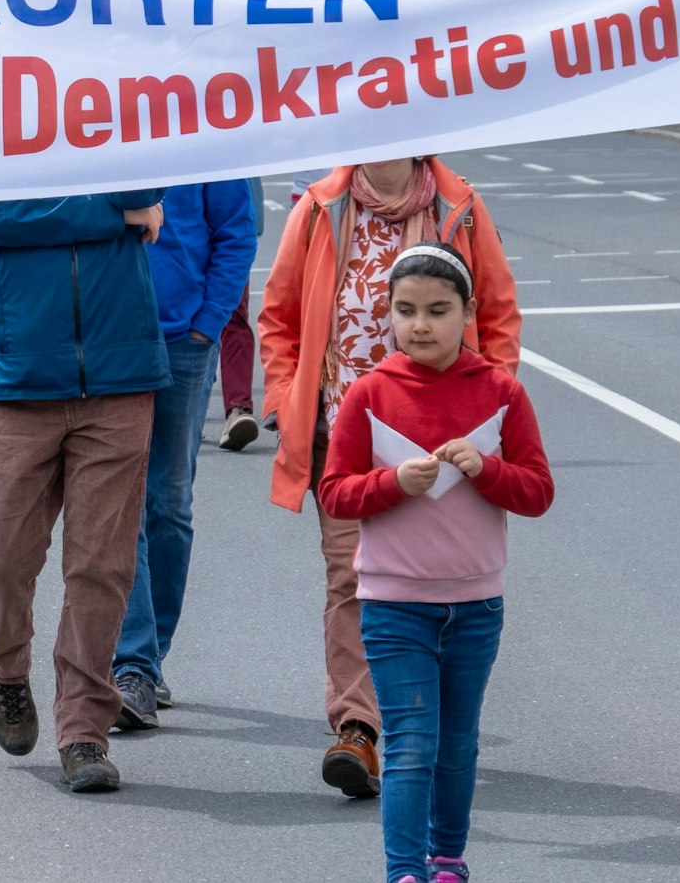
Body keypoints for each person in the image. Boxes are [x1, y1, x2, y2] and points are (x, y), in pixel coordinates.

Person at [257, 156, 520, 801]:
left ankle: (421, 724)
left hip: (447, 442)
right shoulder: (319, 208)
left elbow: (499, 313)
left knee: (436, 582)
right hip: (346, 433)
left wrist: (493, 404)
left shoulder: (459, 207)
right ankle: (358, 730)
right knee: (353, 577)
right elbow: (280, 316)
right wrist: (288, 400)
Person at [318, 241, 553, 883]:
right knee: (412, 747)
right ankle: (404, 871)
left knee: (456, 748)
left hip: (477, 604)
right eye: (406, 309)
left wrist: (489, 470)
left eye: (438, 310)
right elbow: (334, 492)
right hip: (394, 605)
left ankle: (448, 859)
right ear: (388, 313)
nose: (420, 324)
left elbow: (537, 491)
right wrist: (396, 483)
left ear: (468, 312)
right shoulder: (369, 393)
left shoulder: (502, 392)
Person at [0, 190, 169, 793]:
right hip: (18, 374)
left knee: (101, 565)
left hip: (120, 374)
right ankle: (6, 672)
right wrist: (108, 215)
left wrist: (118, 206)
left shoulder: (120, 101)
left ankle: (84, 731)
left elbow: (146, 195)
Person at [111, 181, 255, 729]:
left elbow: (236, 235)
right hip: (110, 335)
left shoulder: (207, 134)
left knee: (168, 502)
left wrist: (207, 323)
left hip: (184, 341)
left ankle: (151, 657)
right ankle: (135, 665)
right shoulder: (104, 120)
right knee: (122, 500)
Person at [217, 175, 266, 451]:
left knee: (232, 314)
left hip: (232, 221)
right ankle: (185, 411)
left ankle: (238, 409)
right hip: (179, 226)